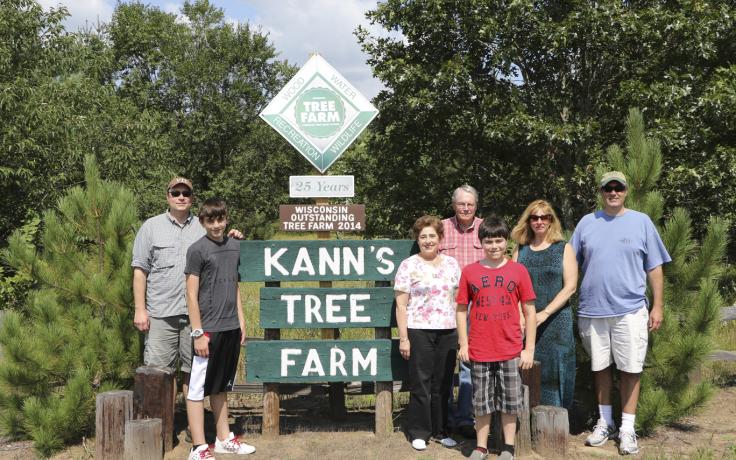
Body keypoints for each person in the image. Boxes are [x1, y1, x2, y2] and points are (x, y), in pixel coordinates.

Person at [571, 171, 671, 455]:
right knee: (600, 367)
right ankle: (605, 423)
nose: (613, 192)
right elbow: (570, 263)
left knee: (630, 369)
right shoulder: (586, 223)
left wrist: (658, 305)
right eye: (607, 188)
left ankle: (627, 428)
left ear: (626, 191)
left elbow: (655, 267)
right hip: (592, 310)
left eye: (618, 187)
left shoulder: (641, 222)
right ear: (601, 192)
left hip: (630, 311)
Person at [132, 177, 241, 401]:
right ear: (168, 196)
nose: (181, 197)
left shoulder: (203, 225)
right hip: (161, 313)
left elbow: (220, 247)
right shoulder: (151, 227)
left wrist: (233, 237)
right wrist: (140, 309)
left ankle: (193, 427)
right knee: (159, 373)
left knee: (194, 372)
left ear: (192, 198)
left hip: (197, 315)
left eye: (186, 193)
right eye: (176, 193)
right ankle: (162, 429)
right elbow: (140, 271)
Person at [457, 217, 537, 460]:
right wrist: (463, 344)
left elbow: (530, 311)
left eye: (499, 241)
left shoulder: (518, 270)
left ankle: (508, 447)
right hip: (480, 348)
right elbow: (461, 310)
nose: (494, 246)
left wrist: (529, 349)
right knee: (481, 401)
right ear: (481, 242)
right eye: (489, 241)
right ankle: (481, 446)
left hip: (510, 348)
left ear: (506, 242)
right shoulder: (470, 272)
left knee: (510, 401)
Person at [185, 198, 255, 459]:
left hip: (231, 328)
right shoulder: (197, 250)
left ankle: (224, 438)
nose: (216, 225)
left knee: (221, 386)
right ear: (202, 222)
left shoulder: (234, 246)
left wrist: (242, 321)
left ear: (226, 219)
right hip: (208, 331)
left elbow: (234, 285)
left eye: (220, 219)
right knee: (197, 389)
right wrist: (198, 333)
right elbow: (191, 295)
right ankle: (199, 447)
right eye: (210, 220)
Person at [394, 215, 461, 451]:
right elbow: (402, 305)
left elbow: (459, 302)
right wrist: (404, 338)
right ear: (417, 239)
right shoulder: (409, 265)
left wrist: (462, 335)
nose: (428, 240)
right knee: (420, 383)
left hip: (448, 330)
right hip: (419, 329)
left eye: (432, 236)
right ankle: (419, 432)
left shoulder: (452, 264)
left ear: (440, 238)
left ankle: (442, 431)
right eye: (423, 237)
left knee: (443, 383)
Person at [511, 200, 578, 409]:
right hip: (525, 320)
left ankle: (556, 419)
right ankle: (526, 420)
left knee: (556, 368)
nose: (539, 221)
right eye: (534, 217)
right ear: (528, 221)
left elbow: (570, 287)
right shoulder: (520, 250)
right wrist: (521, 316)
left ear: (551, 221)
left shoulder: (563, 248)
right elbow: (511, 287)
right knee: (526, 368)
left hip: (556, 320)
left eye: (544, 217)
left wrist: (545, 313)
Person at [440, 184, 486, 438]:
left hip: (477, 307)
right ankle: (444, 418)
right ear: (453, 205)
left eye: (470, 204)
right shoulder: (441, 228)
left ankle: (465, 418)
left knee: (469, 363)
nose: (466, 208)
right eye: (461, 204)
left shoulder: (485, 228)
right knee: (445, 362)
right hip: (445, 306)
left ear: (476, 205)